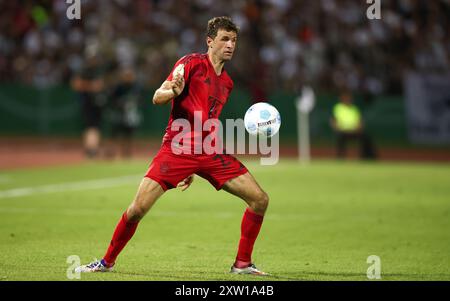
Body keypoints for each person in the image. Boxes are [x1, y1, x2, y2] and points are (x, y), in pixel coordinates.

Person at [76, 17, 269, 276]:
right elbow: (158, 96)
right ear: (209, 42)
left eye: (234, 40)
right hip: (177, 150)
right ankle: (106, 262)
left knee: (259, 200)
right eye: (224, 39)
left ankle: (242, 264)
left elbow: (209, 120)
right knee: (137, 209)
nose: (230, 45)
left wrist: (198, 165)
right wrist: (172, 92)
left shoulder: (228, 83)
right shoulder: (189, 64)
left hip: (210, 152)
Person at [71, 44, 107, 159]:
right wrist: (92, 86)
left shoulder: (99, 69)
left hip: (98, 101)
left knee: (94, 126)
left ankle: (91, 149)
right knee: (91, 126)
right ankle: (91, 150)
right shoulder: (84, 70)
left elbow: (101, 85)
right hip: (88, 101)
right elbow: (76, 84)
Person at [330, 91, 377, 160]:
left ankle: (367, 157)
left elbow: (360, 121)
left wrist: (359, 127)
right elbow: (333, 121)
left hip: (354, 131)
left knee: (366, 137)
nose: (348, 99)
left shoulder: (354, 108)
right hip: (343, 131)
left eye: (349, 98)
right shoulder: (338, 107)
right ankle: (340, 158)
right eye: (346, 98)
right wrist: (337, 128)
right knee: (340, 138)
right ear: (342, 99)